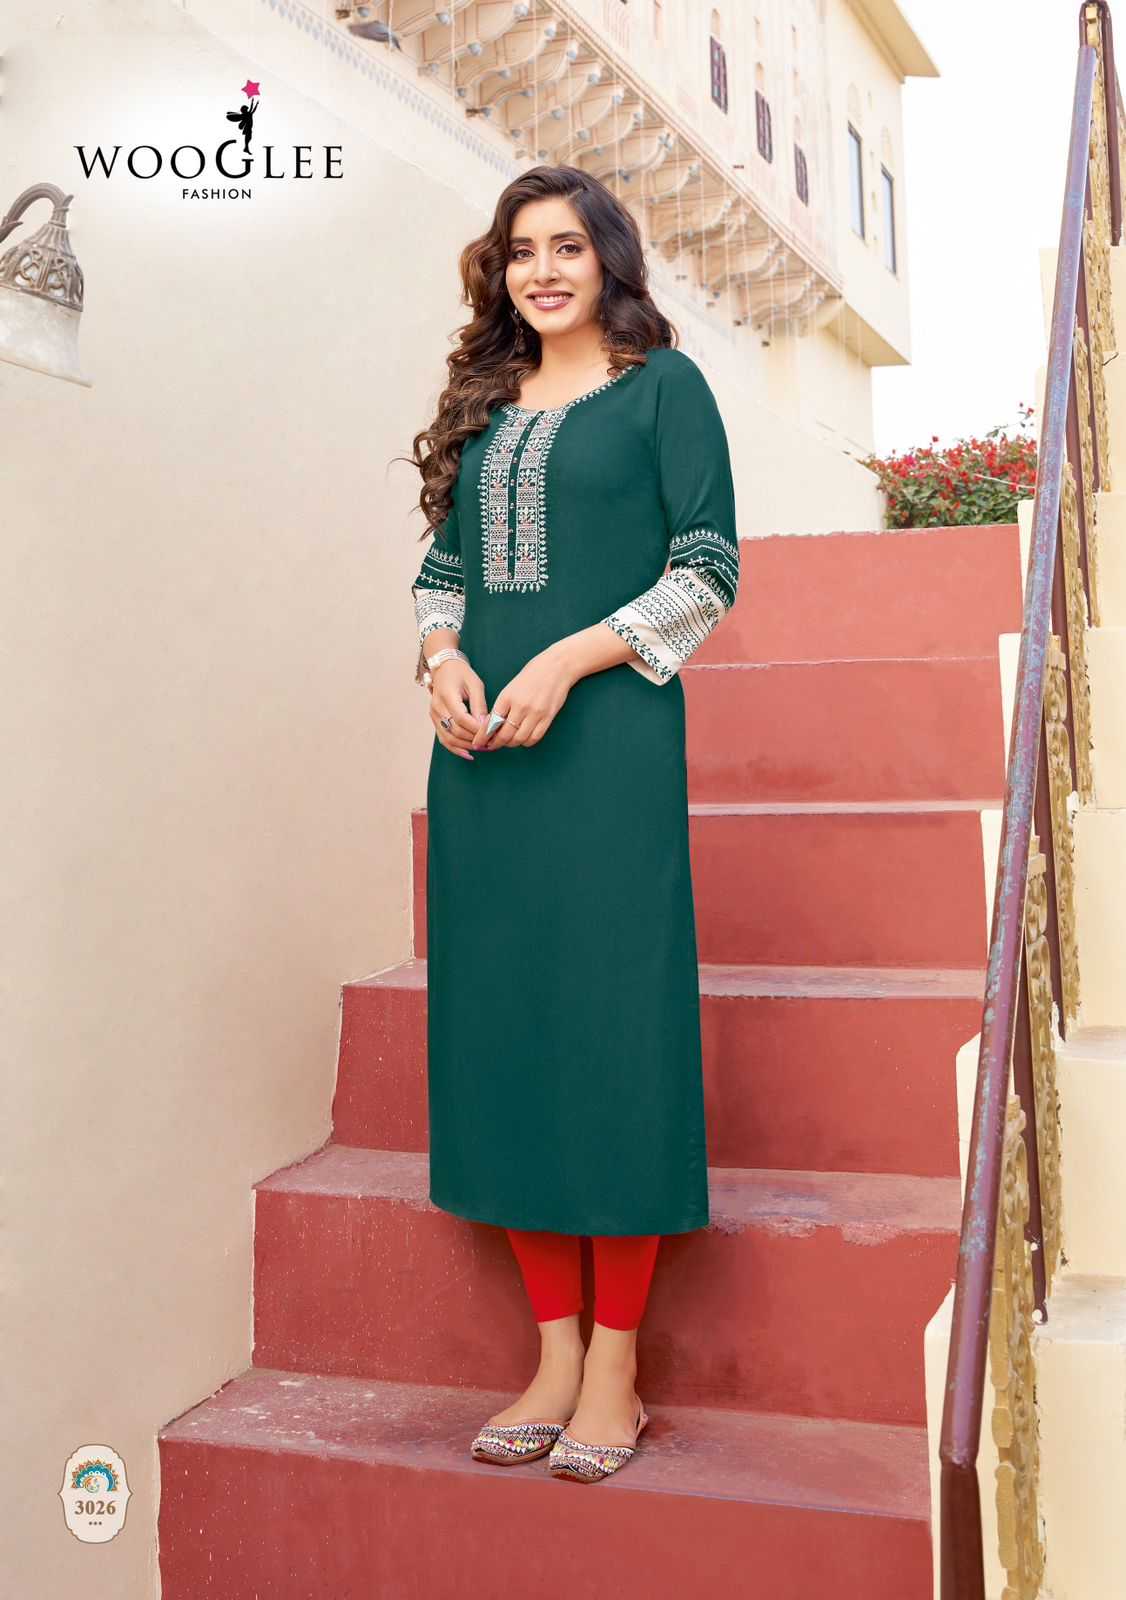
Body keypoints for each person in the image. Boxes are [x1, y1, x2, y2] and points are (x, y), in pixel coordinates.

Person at [402, 164, 740, 1484]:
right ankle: (551, 1352)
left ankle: (616, 1364)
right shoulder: (486, 407)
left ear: (608, 259)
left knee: (611, 1032)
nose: (541, 270)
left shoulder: (665, 390)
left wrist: (567, 659)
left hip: (609, 757)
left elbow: (706, 570)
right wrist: (441, 659)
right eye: (519, 251)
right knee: (507, 1035)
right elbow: (443, 569)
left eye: (566, 247)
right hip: (483, 764)